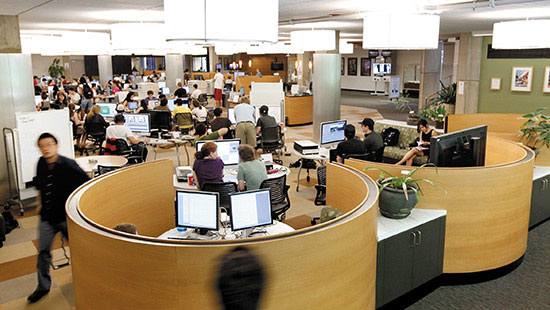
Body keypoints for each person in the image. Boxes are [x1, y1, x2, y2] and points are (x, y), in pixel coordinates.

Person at [28, 133, 90, 304]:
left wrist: (78, 213)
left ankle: (86, 279)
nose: (46, 148)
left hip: (65, 217)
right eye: (42, 146)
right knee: (43, 252)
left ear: (56, 146)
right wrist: (39, 204)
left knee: (79, 251)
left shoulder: (68, 165)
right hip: (47, 217)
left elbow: (86, 186)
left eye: (49, 144)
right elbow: (40, 186)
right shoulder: (41, 163)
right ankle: (43, 286)